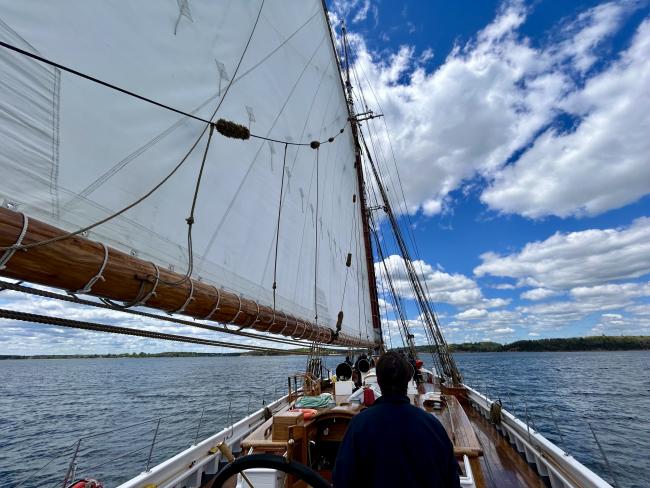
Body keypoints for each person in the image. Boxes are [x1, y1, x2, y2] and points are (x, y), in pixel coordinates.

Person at [333, 351, 460, 488]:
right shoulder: (433, 426)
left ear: (379, 381)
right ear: (407, 379)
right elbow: (452, 481)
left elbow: (341, 480)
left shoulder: (358, 426)